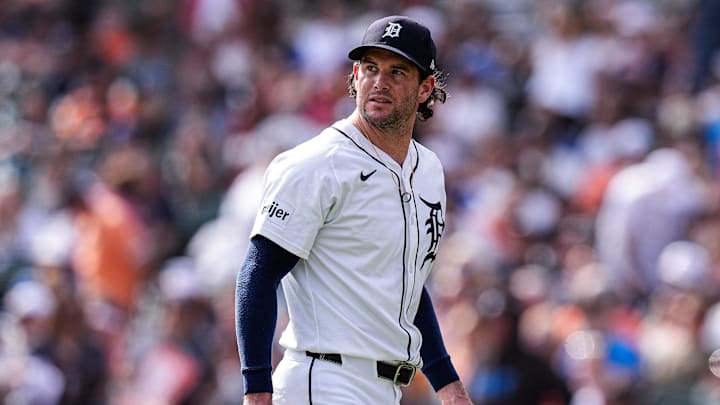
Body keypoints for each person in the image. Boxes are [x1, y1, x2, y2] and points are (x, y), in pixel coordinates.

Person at [235, 15, 472, 405]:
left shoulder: (428, 170)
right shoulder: (316, 162)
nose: (379, 82)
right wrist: (257, 389)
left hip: (386, 387)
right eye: (370, 68)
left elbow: (406, 287)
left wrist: (448, 385)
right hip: (323, 378)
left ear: (426, 87)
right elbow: (257, 274)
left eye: (397, 72)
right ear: (355, 76)